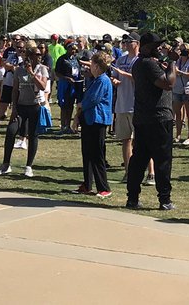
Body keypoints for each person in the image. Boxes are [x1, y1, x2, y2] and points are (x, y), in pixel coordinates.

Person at [125, 32, 176, 210]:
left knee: (139, 159)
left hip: (143, 118)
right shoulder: (147, 64)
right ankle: (165, 200)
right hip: (158, 118)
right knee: (162, 160)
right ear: (146, 47)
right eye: (156, 45)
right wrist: (172, 63)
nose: (160, 48)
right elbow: (168, 83)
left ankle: (132, 198)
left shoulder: (141, 63)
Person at [0, 41, 49, 177]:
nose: (39, 57)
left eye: (40, 55)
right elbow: (15, 90)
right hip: (21, 106)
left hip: (35, 106)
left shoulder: (42, 69)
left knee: (33, 135)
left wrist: (31, 73)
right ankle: (6, 164)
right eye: (36, 55)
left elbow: (42, 86)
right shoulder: (19, 69)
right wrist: (14, 109)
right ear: (29, 56)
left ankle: (29, 166)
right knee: (11, 131)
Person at [74, 50, 114, 197]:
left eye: (92, 64)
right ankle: (87, 184)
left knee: (97, 155)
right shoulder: (95, 80)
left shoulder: (103, 80)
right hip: (89, 119)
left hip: (98, 120)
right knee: (87, 153)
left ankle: (104, 187)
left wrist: (80, 106)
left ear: (97, 66)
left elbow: (93, 99)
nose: (89, 67)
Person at [112, 34, 140, 172]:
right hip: (122, 104)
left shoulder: (140, 60)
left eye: (130, 41)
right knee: (125, 140)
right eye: (125, 41)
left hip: (136, 105)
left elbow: (140, 79)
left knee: (140, 142)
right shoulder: (121, 60)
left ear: (137, 43)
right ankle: (128, 171)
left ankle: (150, 173)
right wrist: (115, 80)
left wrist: (124, 73)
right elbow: (115, 76)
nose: (127, 43)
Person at [54, 39, 84, 134]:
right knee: (64, 105)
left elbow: (79, 69)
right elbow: (57, 72)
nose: (73, 51)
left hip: (75, 84)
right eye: (72, 49)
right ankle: (63, 125)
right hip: (65, 84)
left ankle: (69, 125)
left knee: (71, 105)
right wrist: (66, 78)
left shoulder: (76, 59)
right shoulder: (62, 59)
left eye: (75, 49)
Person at [172, 41, 189, 144]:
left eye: (184, 50)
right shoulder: (177, 61)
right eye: (181, 49)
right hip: (177, 89)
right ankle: (178, 135)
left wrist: (180, 72)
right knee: (178, 112)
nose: (182, 52)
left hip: (188, 89)